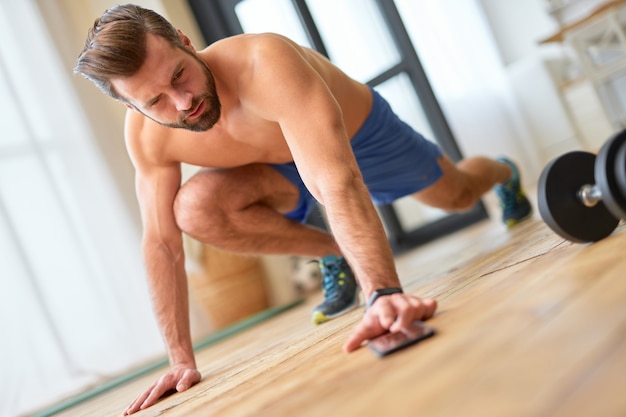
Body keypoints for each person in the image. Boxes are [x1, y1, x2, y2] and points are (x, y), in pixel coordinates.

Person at [75, 4, 531, 415]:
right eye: (154, 100)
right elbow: (161, 244)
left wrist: (384, 294)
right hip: (275, 168)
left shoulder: (264, 62)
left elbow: (336, 179)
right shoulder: (146, 136)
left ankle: (502, 173)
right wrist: (179, 359)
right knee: (192, 210)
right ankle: (335, 253)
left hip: (359, 136)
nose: (182, 102)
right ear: (131, 105)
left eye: (179, 75)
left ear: (186, 41)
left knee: (457, 195)